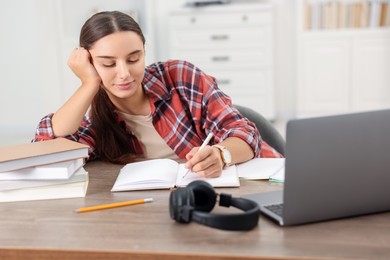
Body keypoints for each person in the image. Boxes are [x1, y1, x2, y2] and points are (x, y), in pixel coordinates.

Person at [33, 11, 282, 178]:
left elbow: (245, 132)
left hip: (260, 184)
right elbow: (47, 152)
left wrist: (220, 154)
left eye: (134, 59)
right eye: (108, 64)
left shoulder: (181, 77)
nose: (124, 74)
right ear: (88, 61)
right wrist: (88, 84)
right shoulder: (95, 119)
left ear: (144, 52)